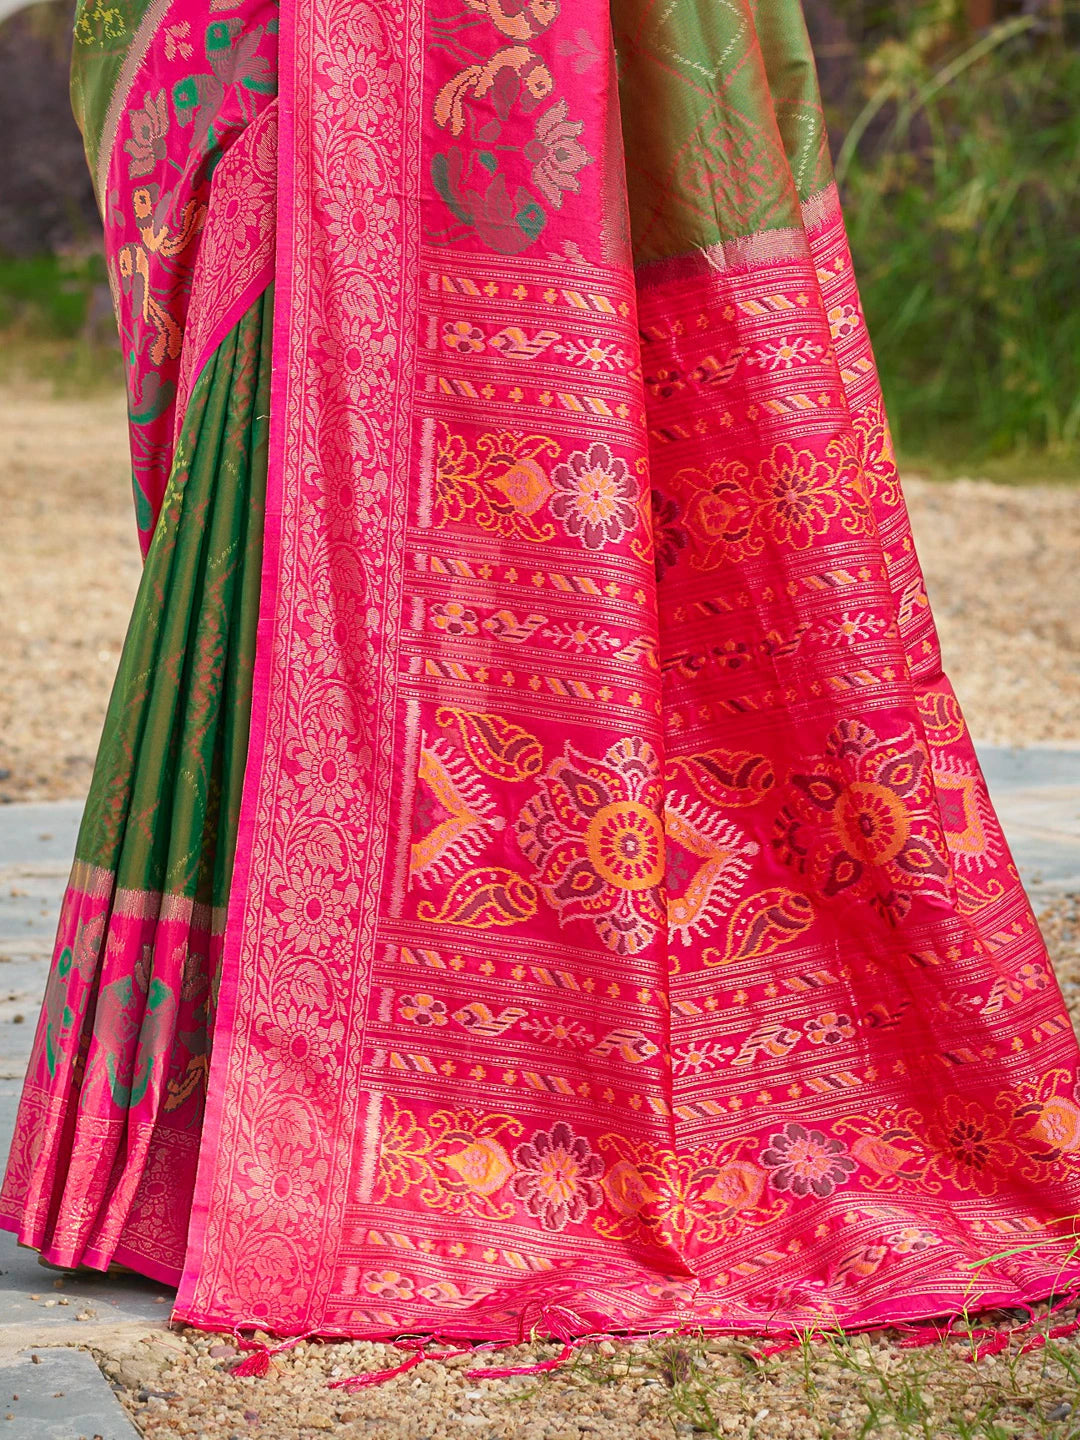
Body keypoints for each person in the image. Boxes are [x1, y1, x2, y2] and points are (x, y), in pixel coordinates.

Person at [4, 0, 1080, 1343]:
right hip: (291, 68)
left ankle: (443, 1121)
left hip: (538, 54)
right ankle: (199, 1148)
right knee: (278, 282)